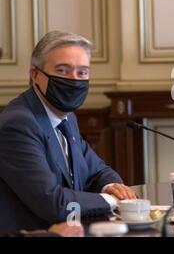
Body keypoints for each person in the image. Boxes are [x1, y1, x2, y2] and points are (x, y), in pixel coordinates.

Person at [0, 31, 137, 234]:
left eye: (82, 72)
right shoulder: (19, 124)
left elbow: (97, 170)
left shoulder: (66, 116)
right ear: (35, 75)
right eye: (63, 71)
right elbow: (53, 203)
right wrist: (110, 200)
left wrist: (110, 185)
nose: (74, 80)